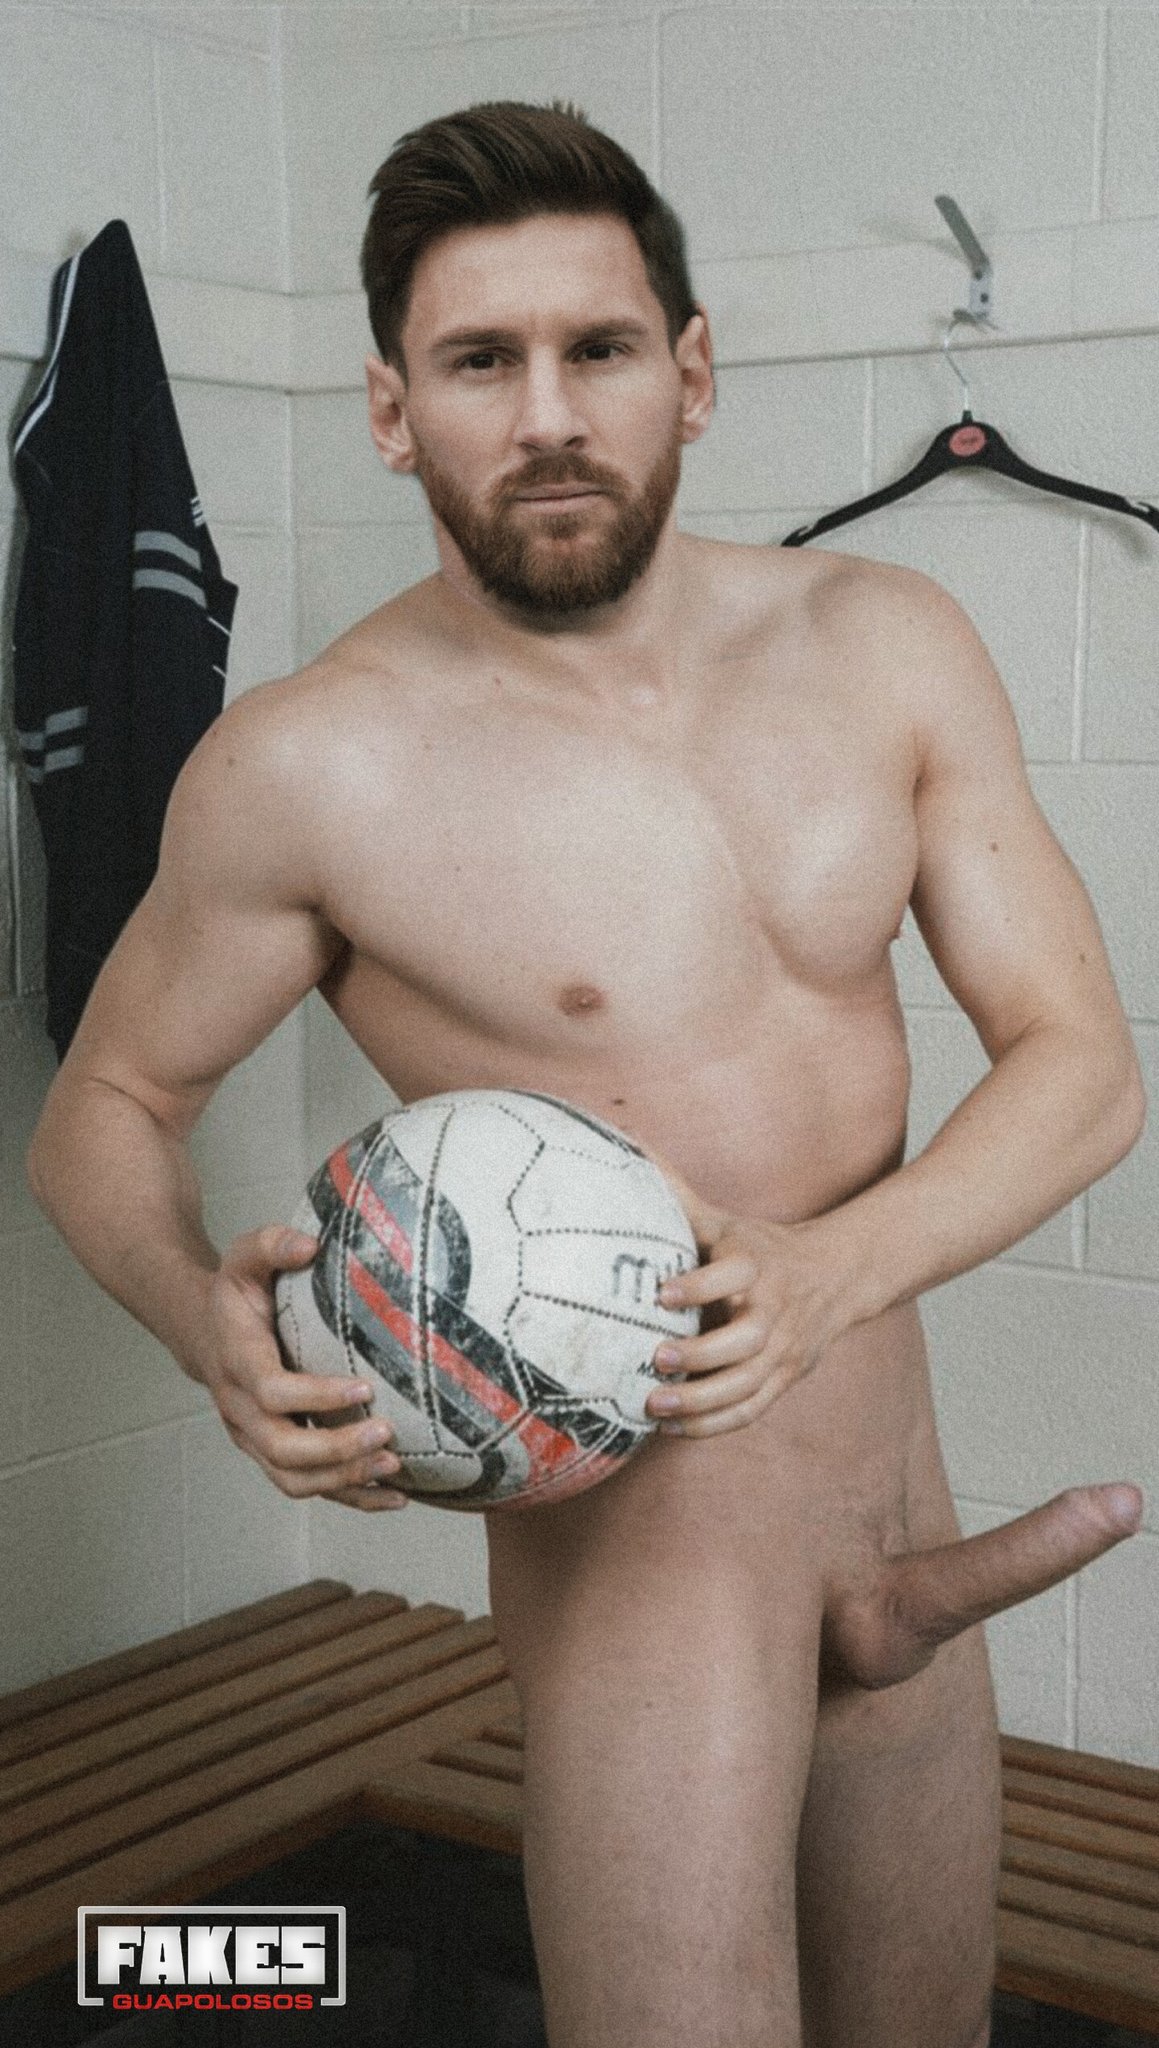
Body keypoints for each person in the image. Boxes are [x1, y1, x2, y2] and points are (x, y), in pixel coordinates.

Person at [26, 99, 1146, 2048]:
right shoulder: (309, 765)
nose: (547, 414)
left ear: (689, 372)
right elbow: (100, 1113)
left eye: (597, 347)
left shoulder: (888, 642)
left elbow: (1083, 1063)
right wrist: (212, 1328)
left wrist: (829, 1272)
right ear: (392, 411)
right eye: (480, 361)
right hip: (647, 1593)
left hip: (900, 1518)